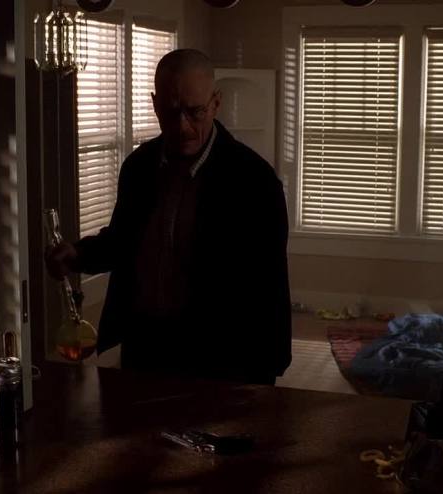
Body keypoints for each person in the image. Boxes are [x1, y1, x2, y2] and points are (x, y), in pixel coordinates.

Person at [47, 49, 291, 385]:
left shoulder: (254, 181)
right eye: (170, 112)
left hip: (220, 357)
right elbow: (123, 241)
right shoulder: (138, 168)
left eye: (195, 111)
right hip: (144, 347)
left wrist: (265, 375)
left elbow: (270, 284)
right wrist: (77, 254)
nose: (182, 126)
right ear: (154, 104)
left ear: (216, 103)